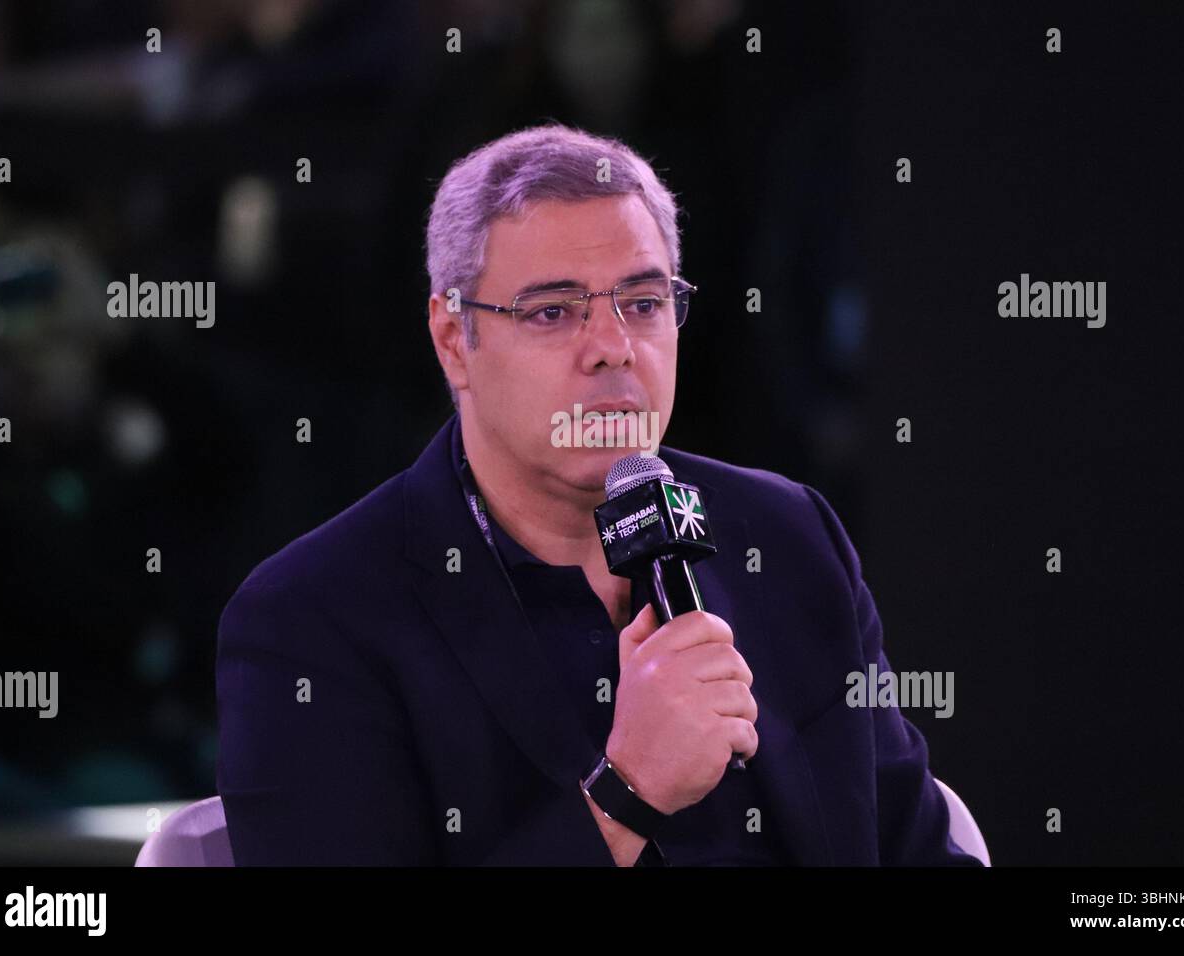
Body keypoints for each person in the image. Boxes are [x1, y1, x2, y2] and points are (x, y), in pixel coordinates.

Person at [215, 122, 983, 866]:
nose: (614, 346)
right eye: (553, 312)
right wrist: (629, 793)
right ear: (455, 342)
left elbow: (913, 846)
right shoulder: (312, 619)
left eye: (643, 304)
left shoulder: (787, 538)